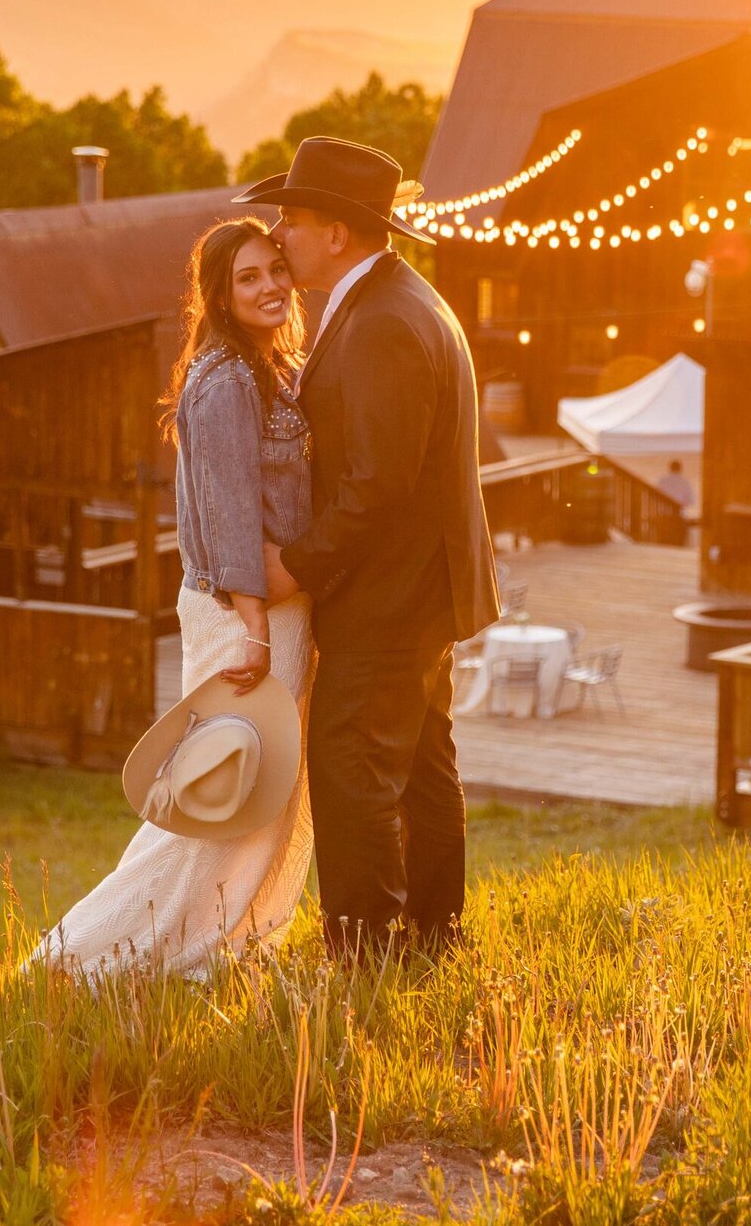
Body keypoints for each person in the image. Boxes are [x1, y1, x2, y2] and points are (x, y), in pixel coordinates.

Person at [37, 218, 317, 975]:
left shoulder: (270, 365)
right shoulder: (226, 377)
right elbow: (228, 512)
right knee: (217, 792)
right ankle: (86, 957)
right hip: (247, 614)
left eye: (275, 270)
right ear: (220, 296)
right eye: (248, 278)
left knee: (262, 790)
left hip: (277, 608)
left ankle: (216, 945)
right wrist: (256, 628)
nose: (269, 287)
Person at [245, 136, 499, 959]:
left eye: (291, 219)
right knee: (424, 764)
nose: (278, 235)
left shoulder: (385, 320)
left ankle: (364, 951)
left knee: (350, 761)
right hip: (421, 591)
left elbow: (375, 485)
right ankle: (434, 934)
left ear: (338, 234)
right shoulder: (394, 298)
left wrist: (296, 563)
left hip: (391, 596)